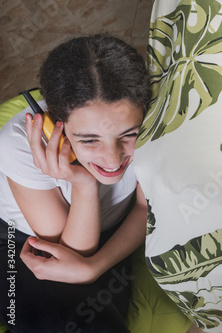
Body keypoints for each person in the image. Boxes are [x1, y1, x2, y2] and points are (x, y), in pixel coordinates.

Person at [0, 34, 151, 332]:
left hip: (108, 238)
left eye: (128, 135)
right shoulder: (19, 142)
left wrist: (95, 267)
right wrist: (83, 184)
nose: (112, 159)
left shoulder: (156, 122)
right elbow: (67, 253)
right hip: (22, 246)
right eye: (89, 140)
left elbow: (144, 208)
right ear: (56, 124)